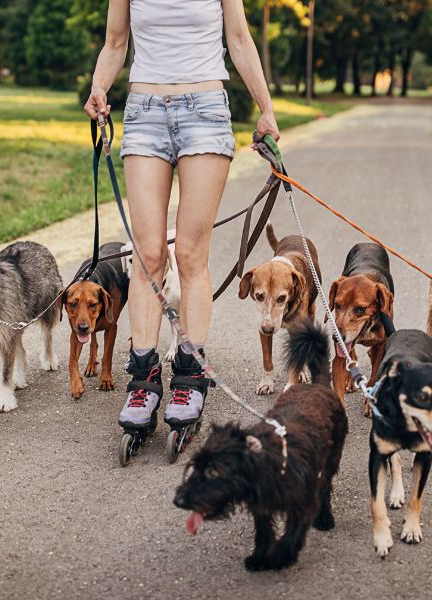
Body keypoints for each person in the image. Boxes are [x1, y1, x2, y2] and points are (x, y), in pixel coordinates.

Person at [83, 0, 279, 437]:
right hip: (144, 112)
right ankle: (143, 380)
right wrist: (99, 86)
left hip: (205, 111)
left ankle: (190, 376)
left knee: (190, 253)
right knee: (147, 254)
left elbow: (239, 39)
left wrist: (265, 109)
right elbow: (115, 43)